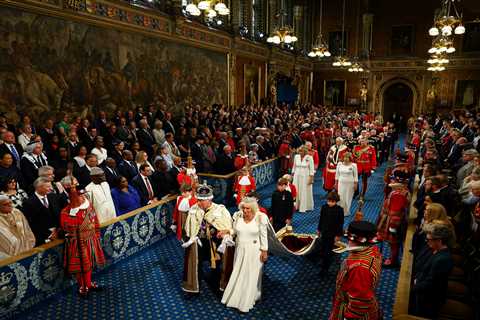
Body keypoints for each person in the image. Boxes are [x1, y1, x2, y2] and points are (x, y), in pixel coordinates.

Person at [182, 184, 234, 293]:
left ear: (210, 199)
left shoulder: (220, 210)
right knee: (196, 264)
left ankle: (217, 284)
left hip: (215, 243)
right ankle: (194, 287)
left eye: (202, 200)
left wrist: (222, 233)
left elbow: (228, 227)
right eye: (199, 199)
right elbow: (189, 226)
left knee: (216, 266)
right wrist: (190, 237)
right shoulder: (194, 209)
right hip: (199, 243)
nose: (199, 202)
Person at [60, 176, 106, 298]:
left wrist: (96, 234)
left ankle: (89, 283)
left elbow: (94, 219)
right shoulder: (66, 212)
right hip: (78, 242)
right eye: (78, 194)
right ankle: (82, 286)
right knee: (82, 266)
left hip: (91, 238)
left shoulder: (88, 203)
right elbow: (67, 227)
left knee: (89, 264)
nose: (82, 196)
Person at [221, 197, 268, 313]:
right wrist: (227, 231)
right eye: (244, 208)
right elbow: (235, 231)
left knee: (250, 276)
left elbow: (263, 236)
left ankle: (246, 302)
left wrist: (264, 251)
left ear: (252, 208)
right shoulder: (238, 217)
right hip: (240, 250)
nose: (245, 211)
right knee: (238, 273)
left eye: (248, 208)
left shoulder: (260, 218)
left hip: (254, 251)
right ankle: (236, 298)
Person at [330, 221, 382, 320]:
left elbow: (360, 301)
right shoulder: (372, 250)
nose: (348, 242)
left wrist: (348, 318)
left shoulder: (360, 268)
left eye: (349, 239)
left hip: (354, 312)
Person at [411, 223, 454, 318]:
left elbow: (431, 284)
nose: (427, 242)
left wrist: (412, 288)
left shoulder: (443, 260)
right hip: (422, 289)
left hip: (429, 300)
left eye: (429, 239)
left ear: (439, 240)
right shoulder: (434, 249)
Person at [376, 180, 410, 268]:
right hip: (395, 220)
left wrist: (387, 223)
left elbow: (393, 211)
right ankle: (392, 259)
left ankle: (393, 261)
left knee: (394, 242)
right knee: (394, 243)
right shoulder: (403, 193)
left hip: (394, 222)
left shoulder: (398, 195)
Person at [22, 177, 61, 246]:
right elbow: (31, 223)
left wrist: (57, 230)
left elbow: (59, 214)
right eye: (48, 187)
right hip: (42, 238)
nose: (51, 189)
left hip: (59, 233)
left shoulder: (53, 197)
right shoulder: (28, 203)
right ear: (38, 188)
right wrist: (49, 234)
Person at [317, 191, 344, 275]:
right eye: (328, 201)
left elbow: (340, 223)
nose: (329, 203)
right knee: (322, 248)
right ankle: (323, 261)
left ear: (336, 201)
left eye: (332, 201)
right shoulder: (324, 207)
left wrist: (338, 235)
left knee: (328, 251)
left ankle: (325, 269)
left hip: (332, 234)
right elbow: (321, 219)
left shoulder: (339, 210)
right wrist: (319, 229)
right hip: (324, 232)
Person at [292, 145, 315, 212]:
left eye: (301, 151)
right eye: (299, 151)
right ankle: (296, 206)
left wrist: (311, 178)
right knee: (296, 190)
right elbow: (294, 166)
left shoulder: (309, 157)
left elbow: (312, 169)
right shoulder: (296, 156)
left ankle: (305, 207)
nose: (300, 152)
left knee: (304, 190)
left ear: (305, 151)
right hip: (297, 176)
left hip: (306, 177)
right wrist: (292, 175)